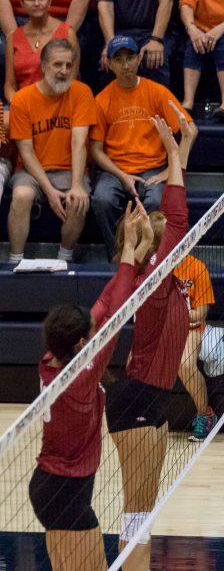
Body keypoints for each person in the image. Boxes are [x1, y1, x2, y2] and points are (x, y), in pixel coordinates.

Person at [28, 203, 144, 571]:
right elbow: (118, 310)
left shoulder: (51, 357)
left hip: (49, 487)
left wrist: (129, 249)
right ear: (81, 344)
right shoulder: (81, 377)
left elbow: (105, 304)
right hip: (66, 493)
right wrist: (130, 252)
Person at [104, 113, 191, 570]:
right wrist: (174, 153)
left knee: (145, 510)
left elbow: (175, 218)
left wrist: (180, 151)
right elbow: (178, 214)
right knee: (137, 511)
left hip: (153, 399)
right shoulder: (154, 280)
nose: (165, 224)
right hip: (136, 397)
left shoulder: (161, 278)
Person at [90, 36, 196, 260]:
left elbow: (190, 130)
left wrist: (170, 170)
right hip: (116, 170)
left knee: (157, 200)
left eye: (130, 58)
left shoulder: (156, 92)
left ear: (139, 59)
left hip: (153, 168)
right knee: (102, 198)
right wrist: (121, 175)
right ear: (109, 64)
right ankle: (118, 257)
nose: (126, 65)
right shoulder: (101, 100)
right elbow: (96, 150)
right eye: (118, 60)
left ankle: (149, 259)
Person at [6, 39, 95, 264]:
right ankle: (15, 261)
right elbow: (26, 152)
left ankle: (64, 258)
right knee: (21, 195)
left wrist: (76, 184)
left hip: (69, 168)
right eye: (57, 65)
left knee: (78, 199)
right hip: (32, 170)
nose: (64, 71)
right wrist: (50, 192)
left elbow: (79, 142)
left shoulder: (82, 92)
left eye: (69, 65)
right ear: (43, 66)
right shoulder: (22, 99)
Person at [96, 0, 180, 86]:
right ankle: (112, 104)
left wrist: (156, 40)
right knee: (108, 61)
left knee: (156, 59)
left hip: (155, 30)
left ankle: (159, 103)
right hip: (120, 30)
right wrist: (110, 42)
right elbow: (105, 3)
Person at [3, 0, 80, 103]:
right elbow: (9, 86)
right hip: (24, 106)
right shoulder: (13, 38)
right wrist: (19, 105)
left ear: (49, 1)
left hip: (58, 105)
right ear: (22, 3)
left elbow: (71, 81)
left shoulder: (67, 33)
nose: (37, 3)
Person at [173, 253, 218, 442]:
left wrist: (178, 316)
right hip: (162, 328)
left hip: (190, 328)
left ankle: (205, 414)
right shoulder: (154, 265)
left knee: (184, 364)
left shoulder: (197, 267)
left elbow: (200, 314)